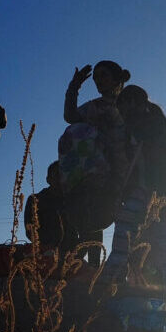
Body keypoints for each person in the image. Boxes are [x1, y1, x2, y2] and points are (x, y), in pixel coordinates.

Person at [104, 84, 166, 298]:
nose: (121, 113)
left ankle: (113, 277)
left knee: (134, 234)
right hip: (155, 190)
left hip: (153, 190)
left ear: (132, 103)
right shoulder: (150, 124)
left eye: (122, 107)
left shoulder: (148, 124)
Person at [61, 60, 132, 265]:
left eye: (104, 76)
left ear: (117, 79)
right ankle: (91, 269)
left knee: (131, 221)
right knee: (95, 218)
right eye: (96, 78)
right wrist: (74, 87)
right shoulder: (95, 106)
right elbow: (70, 116)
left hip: (129, 170)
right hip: (100, 174)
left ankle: (132, 271)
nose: (99, 81)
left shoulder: (128, 104)